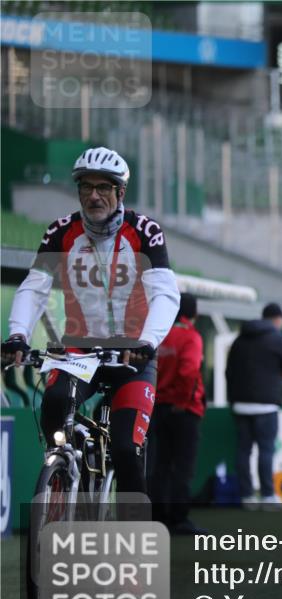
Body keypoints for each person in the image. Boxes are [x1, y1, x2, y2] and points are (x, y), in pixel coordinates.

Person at [2, 147, 180, 495]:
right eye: (86, 187)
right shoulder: (60, 232)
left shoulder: (144, 231)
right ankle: (64, 470)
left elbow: (166, 293)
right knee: (53, 404)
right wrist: (17, 335)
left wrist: (147, 342)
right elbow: (35, 288)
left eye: (104, 187)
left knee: (127, 450)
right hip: (79, 351)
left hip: (131, 355)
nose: (94, 195)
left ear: (120, 192)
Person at [226, 302, 282, 509]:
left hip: (240, 404)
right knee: (266, 451)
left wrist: (233, 400)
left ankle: (247, 497)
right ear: (278, 319)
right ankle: (268, 496)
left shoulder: (239, 339)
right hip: (266, 405)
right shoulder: (278, 338)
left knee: (243, 451)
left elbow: (228, 372)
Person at [149, 293, 206, 534]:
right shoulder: (190, 337)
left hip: (157, 408)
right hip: (183, 410)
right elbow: (189, 371)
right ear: (193, 313)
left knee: (159, 466)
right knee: (182, 467)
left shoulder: (159, 336)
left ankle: (158, 517)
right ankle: (178, 519)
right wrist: (182, 402)